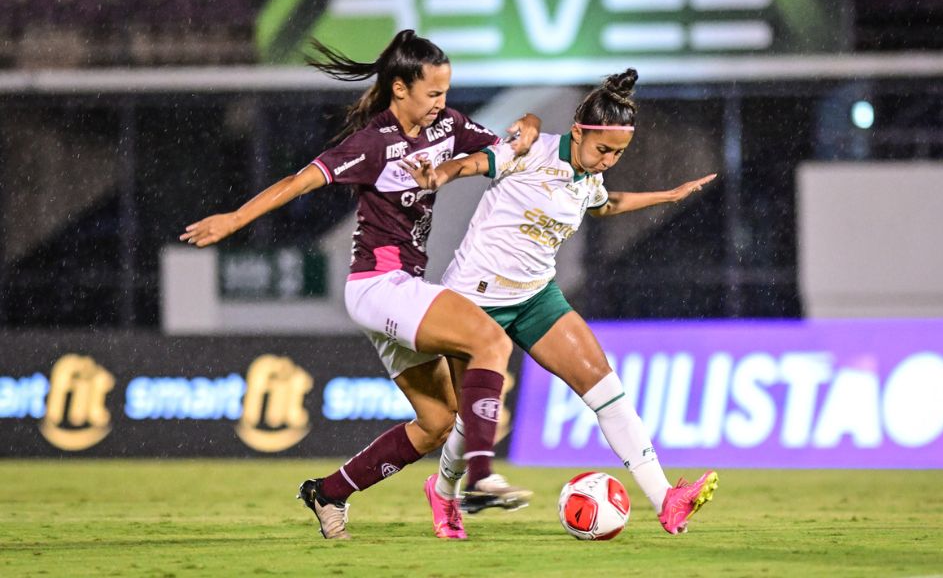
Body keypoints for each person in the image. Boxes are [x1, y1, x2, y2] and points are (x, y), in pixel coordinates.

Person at [180, 29, 539, 540]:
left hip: (401, 287)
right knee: (491, 340)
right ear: (399, 89)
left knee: (438, 422)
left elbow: (509, 148)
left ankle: (327, 494)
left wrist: (530, 123)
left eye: (446, 92)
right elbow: (298, 181)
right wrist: (235, 219)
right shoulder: (373, 144)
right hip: (379, 285)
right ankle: (478, 478)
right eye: (433, 93)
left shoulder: (448, 127)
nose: (443, 103)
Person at [403, 68, 719, 537]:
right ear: (577, 132)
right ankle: (444, 492)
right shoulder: (530, 150)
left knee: (607, 390)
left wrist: (667, 196)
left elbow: (605, 203)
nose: (609, 159)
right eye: (603, 149)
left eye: (618, 152)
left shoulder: (587, 176)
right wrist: (439, 174)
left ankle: (666, 499)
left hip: (536, 298)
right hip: (474, 300)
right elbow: (471, 164)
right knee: (474, 421)